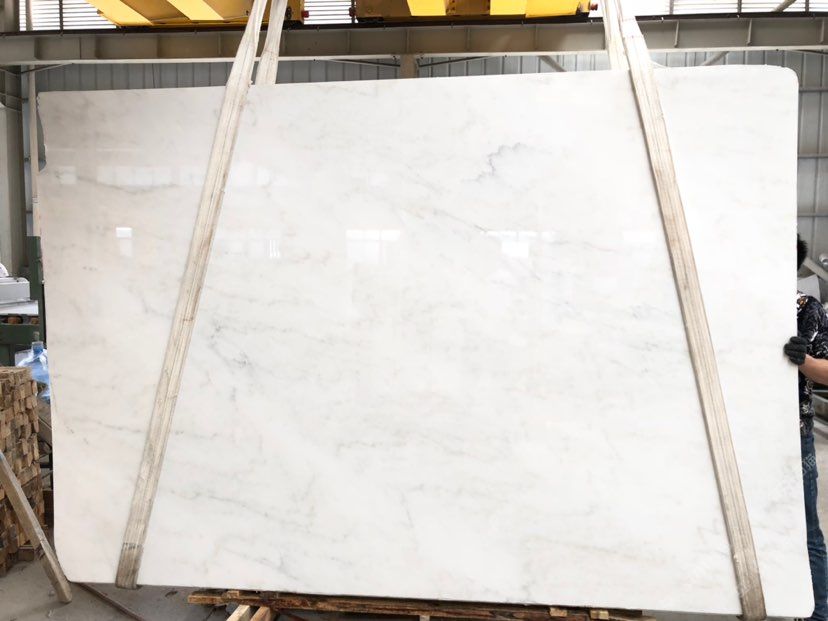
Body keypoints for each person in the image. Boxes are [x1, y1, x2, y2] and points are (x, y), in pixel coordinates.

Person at [784, 234, 828, 621]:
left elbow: (827, 371)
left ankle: (818, 612)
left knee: (805, 525)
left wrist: (803, 361)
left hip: (792, 432)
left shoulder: (807, 309)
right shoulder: (736, 303)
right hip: (740, 431)